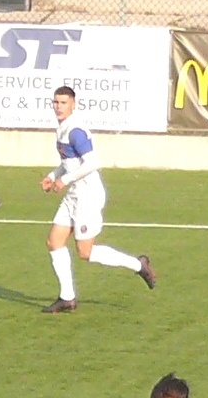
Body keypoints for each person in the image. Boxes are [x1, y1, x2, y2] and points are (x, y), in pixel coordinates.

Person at [37, 86, 156, 313]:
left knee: (85, 252)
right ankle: (67, 298)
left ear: (73, 104)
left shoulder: (76, 130)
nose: (58, 107)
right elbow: (69, 162)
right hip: (74, 194)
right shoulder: (62, 128)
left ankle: (139, 265)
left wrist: (65, 180)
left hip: (87, 196)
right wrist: (53, 176)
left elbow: (92, 163)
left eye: (63, 102)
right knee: (54, 242)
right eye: (56, 102)